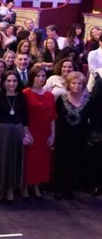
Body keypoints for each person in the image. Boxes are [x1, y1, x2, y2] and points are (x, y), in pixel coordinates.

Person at [0, 70, 31, 203]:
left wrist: (26, 134)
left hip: (17, 131)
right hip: (1, 131)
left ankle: (10, 189)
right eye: (9, 81)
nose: (11, 84)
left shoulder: (21, 96)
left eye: (14, 81)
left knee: (14, 161)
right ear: (4, 82)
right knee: (1, 161)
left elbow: (25, 118)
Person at [54, 71, 93, 199]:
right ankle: (59, 189)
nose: (76, 86)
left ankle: (71, 188)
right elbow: (56, 118)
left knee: (76, 162)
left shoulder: (88, 100)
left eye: (80, 84)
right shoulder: (61, 99)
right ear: (68, 84)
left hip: (80, 136)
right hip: (63, 136)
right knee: (62, 162)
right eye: (74, 83)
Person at [23, 65, 56, 199]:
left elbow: (53, 116)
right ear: (32, 77)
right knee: (29, 160)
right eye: (38, 76)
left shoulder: (49, 95)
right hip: (31, 130)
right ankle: (25, 186)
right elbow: (23, 115)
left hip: (45, 131)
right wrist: (26, 133)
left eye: (43, 76)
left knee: (41, 161)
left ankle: (36, 186)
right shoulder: (25, 93)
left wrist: (53, 134)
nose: (41, 78)